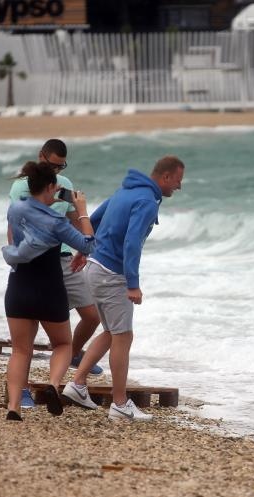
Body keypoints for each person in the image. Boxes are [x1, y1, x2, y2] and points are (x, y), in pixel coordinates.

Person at [61, 155, 185, 421]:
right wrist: (133, 284)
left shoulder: (125, 192)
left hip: (95, 267)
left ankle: (78, 384)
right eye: (177, 180)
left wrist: (85, 251)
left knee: (111, 332)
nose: (179, 186)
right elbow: (131, 243)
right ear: (165, 177)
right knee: (123, 336)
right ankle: (120, 404)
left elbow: (94, 218)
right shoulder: (146, 202)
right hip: (111, 273)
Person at [7, 139, 103, 410]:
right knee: (27, 336)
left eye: (61, 167)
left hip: (62, 259)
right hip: (35, 263)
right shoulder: (21, 189)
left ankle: (69, 357)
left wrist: (81, 250)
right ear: (41, 158)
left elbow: (73, 223)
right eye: (52, 166)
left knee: (91, 314)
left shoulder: (65, 185)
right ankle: (25, 391)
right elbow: (15, 229)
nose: (57, 172)